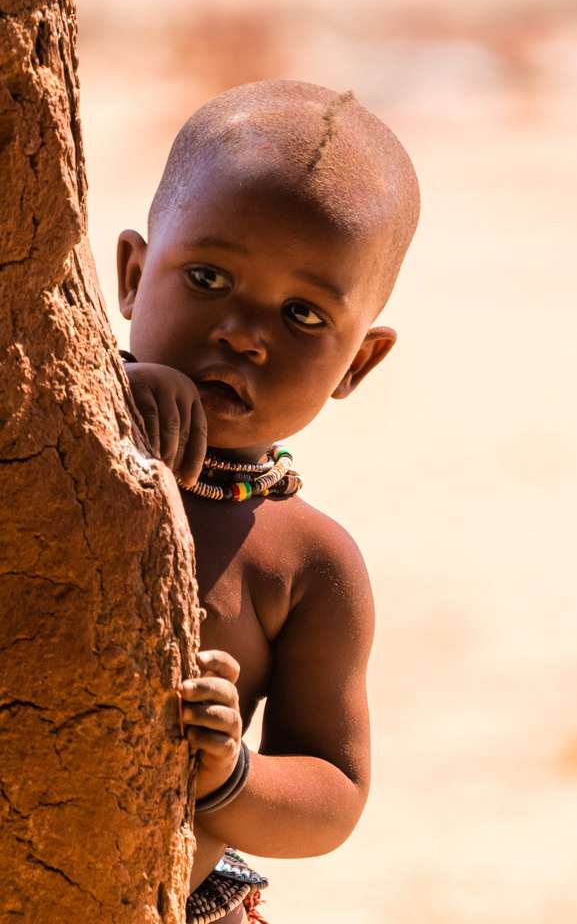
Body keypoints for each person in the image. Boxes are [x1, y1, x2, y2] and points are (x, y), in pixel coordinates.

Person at [116, 79, 420, 922]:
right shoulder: (47, 430)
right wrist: (104, 399)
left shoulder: (305, 561)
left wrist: (230, 779)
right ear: (135, 277)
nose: (245, 331)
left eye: (302, 313)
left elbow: (334, 787)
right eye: (208, 275)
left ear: (358, 363)